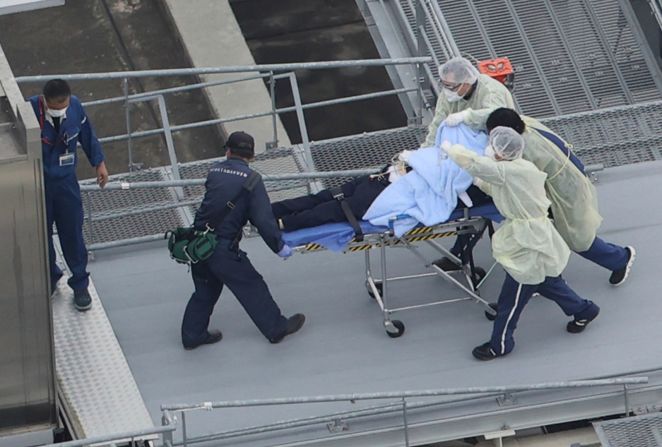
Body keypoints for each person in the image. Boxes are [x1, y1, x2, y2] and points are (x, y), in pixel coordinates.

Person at [442, 127, 600, 360]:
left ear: (502, 152)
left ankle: (501, 344)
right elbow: (495, 184)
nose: (489, 149)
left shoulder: (508, 171)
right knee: (546, 282)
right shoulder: (521, 168)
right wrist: (476, 179)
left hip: (529, 244)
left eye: (493, 146)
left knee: (512, 298)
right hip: (535, 237)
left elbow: (478, 165)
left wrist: (451, 150)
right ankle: (584, 309)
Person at [473, 108, 634, 286]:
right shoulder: (524, 125)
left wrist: (480, 179)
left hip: (566, 194)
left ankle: (620, 258)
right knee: (546, 237)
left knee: (576, 237)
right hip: (561, 184)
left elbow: (515, 181)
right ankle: (543, 279)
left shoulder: (527, 152)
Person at [181, 131, 305, 350]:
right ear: (252, 156)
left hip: (199, 243)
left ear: (228, 151)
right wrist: (279, 246)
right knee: (252, 285)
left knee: (205, 291)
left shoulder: (214, 171)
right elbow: (263, 220)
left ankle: (192, 335)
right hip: (223, 249)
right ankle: (276, 328)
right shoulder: (253, 181)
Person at [29, 79, 109, 311]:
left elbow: (87, 135)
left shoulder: (74, 107)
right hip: (38, 185)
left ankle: (80, 283)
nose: (60, 107)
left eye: (63, 103)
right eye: (55, 105)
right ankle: (50, 277)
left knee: (72, 232)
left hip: (66, 184)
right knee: (41, 236)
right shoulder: (30, 111)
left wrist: (99, 163)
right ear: (45, 101)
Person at [422, 56, 515, 148]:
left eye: (451, 86)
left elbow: (496, 114)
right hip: (470, 141)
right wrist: (426, 149)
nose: (447, 91)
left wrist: (466, 116)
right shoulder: (447, 94)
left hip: (500, 141)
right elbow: (438, 123)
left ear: (466, 83)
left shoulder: (491, 89)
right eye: (444, 85)